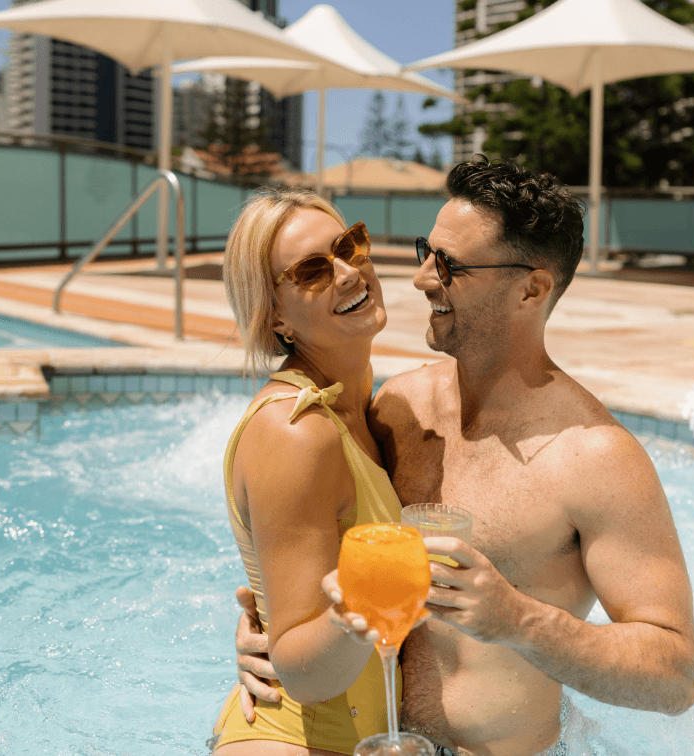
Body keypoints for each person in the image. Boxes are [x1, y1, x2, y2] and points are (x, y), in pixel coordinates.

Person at [232, 157, 694, 756]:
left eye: (450, 265)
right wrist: (268, 629)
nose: (422, 278)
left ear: (531, 288)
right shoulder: (401, 409)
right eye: (429, 251)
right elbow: (305, 536)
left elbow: (676, 677)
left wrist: (518, 620)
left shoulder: (596, 458)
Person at [211, 188, 407, 756]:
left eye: (350, 246)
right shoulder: (296, 432)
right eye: (313, 271)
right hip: (293, 739)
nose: (348, 272)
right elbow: (300, 667)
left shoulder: (368, 408)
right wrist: (354, 613)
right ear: (273, 314)